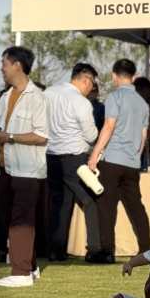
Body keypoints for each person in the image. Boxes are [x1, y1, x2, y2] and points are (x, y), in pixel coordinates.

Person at [0, 46, 49, 288]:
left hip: (27, 169)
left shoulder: (38, 97)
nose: (1, 68)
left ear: (17, 65)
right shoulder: (3, 97)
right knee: (9, 219)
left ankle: (21, 273)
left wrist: (9, 137)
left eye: (4, 63)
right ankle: (30, 267)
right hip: (1, 167)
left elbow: (42, 135)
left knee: (21, 220)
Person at [88, 59, 150, 260]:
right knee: (136, 207)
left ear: (114, 75)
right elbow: (143, 136)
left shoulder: (114, 97)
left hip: (113, 159)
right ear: (134, 76)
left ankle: (107, 251)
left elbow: (109, 126)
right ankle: (145, 248)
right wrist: (135, 157)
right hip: (132, 163)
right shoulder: (142, 103)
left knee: (106, 207)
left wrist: (95, 154)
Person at [44, 63, 102, 262]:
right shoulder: (81, 102)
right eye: (92, 84)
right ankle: (94, 248)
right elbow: (91, 135)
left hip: (51, 156)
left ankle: (56, 249)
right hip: (75, 158)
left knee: (60, 203)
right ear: (85, 80)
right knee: (89, 200)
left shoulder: (48, 93)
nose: (91, 89)